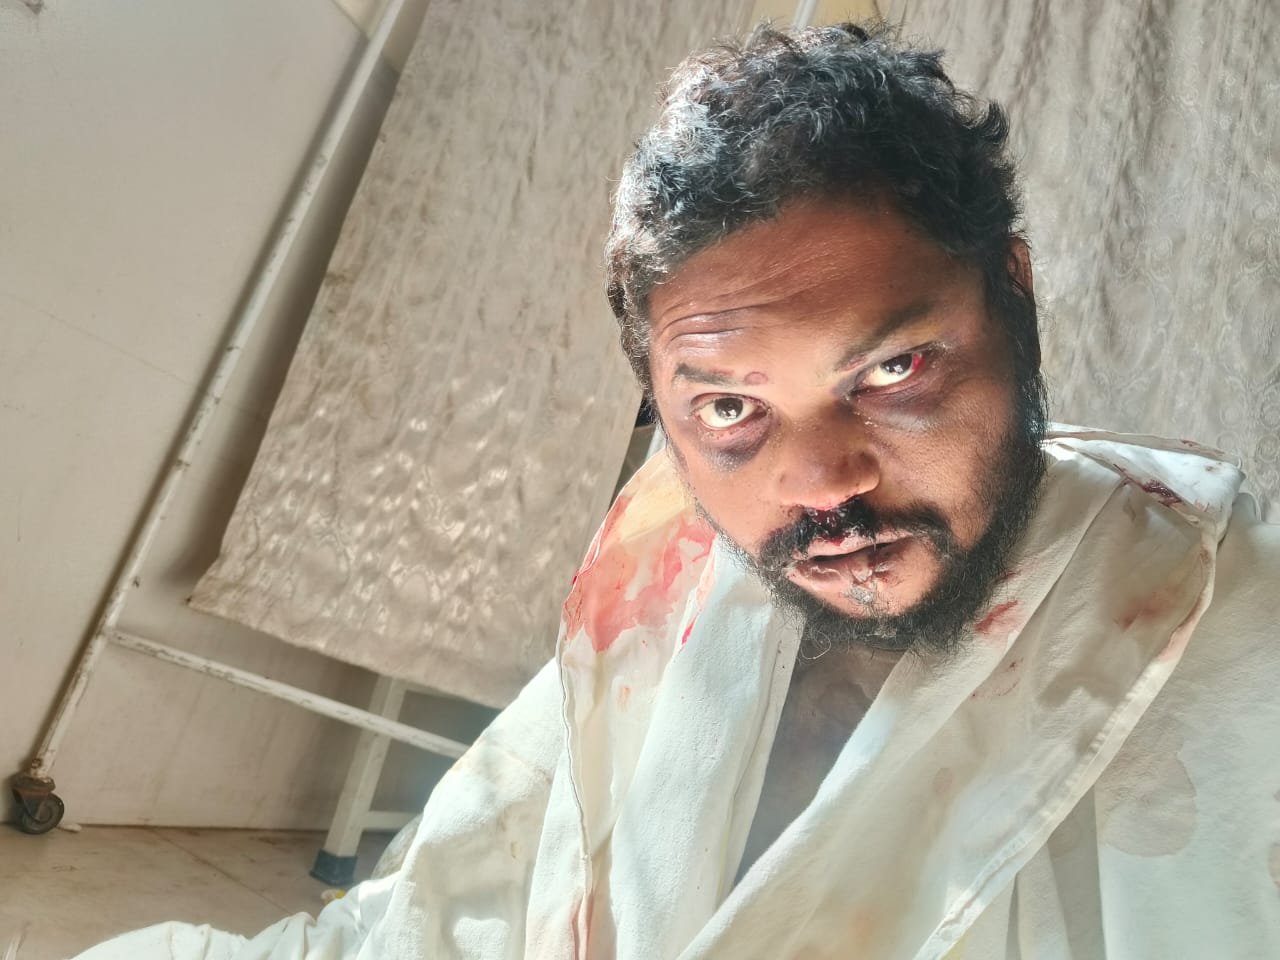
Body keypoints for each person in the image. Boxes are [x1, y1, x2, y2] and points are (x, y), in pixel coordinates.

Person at [76, 21, 1280, 960]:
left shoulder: (1227, 619)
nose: (821, 484)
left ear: (1010, 293)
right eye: (729, 411)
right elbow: (443, 920)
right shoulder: (666, 576)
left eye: (892, 370)